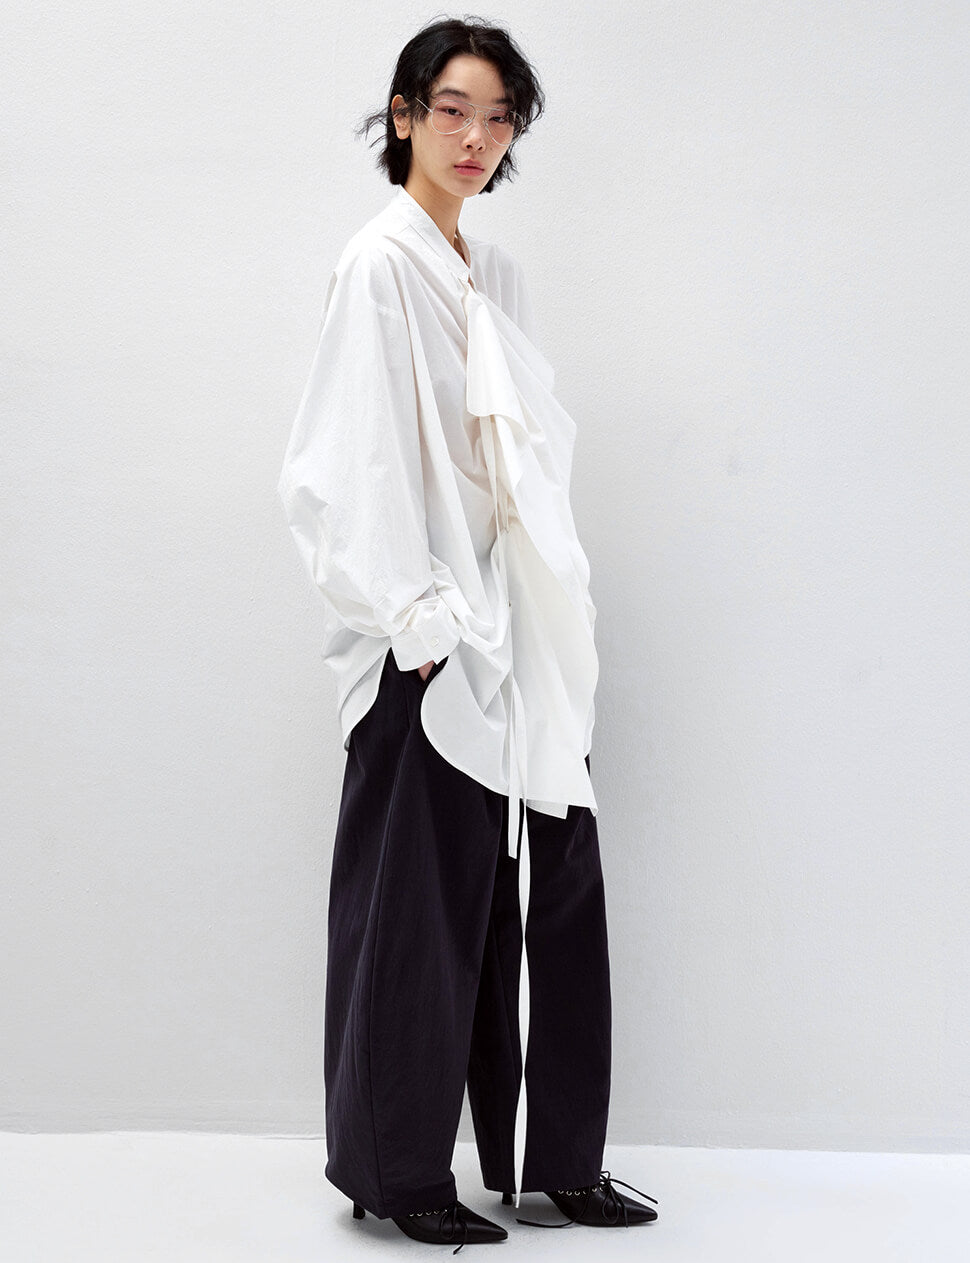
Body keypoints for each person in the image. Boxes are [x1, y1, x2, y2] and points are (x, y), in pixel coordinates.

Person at [277, 16, 659, 1253]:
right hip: (431, 637)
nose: (476, 136)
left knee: (554, 888)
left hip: (525, 627)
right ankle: (395, 1174)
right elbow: (346, 461)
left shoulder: (496, 277)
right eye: (453, 109)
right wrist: (417, 620)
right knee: (417, 909)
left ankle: (554, 1164)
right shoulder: (377, 265)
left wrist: (545, 609)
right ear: (403, 115)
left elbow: (523, 465)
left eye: (499, 117)